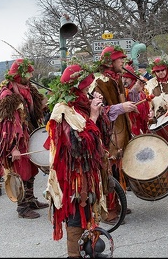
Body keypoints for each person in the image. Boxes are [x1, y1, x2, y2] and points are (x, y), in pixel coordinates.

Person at [44, 63, 110, 258]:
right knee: (76, 214)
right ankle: (75, 255)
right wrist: (94, 117)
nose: (91, 90)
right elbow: (79, 147)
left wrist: (97, 110)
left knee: (89, 210)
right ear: (78, 88)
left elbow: (101, 137)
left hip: (87, 172)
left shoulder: (80, 106)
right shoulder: (64, 111)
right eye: (87, 87)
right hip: (73, 177)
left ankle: (90, 251)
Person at [0, 58, 49, 219]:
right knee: (21, 172)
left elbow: (31, 112)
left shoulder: (27, 88)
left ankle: (30, 199)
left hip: (28, 134)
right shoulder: (8, 94)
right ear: (19, 74)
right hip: (16, 138)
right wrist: (12, 147)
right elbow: (6, 123)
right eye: (28, 72)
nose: (31, 75)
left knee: (32, 169)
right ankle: (22, 207)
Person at [90, 45, 138, 224]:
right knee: (109, 172)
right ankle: (109, 212)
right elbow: (96, 110)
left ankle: (118, 205)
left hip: (120, 133)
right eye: (120, 60)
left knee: (118, 171)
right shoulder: (99, 82)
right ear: (111, 62)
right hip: (107, 136)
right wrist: (120, 108)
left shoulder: (116, 79)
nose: (123, 63)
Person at [122, 61, 151, 135]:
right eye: (123, 77)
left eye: (127, 78)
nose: (124, 80)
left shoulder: (139, 91)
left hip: (138, 126)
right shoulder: (124, 91)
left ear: (132, 79)